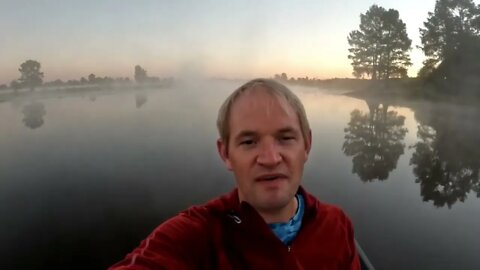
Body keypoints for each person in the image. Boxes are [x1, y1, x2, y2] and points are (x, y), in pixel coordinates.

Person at [109, 78, 361, 270]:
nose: (270, 158)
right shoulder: (197, 236)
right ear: (225, 154)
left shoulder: (337, 224)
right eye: (249, 142)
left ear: (306, 145)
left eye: (285, 138)